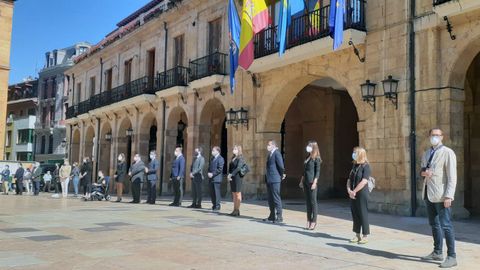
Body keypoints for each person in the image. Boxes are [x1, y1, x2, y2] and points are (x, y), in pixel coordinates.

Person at [420, 128, 458, 268]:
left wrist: (449, 196)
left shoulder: (447, 153)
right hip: (428, 193)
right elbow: (422, 170)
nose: (434, 137)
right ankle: (437, 252)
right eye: (432, 135)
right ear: (429, 136)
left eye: (437, 135)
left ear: (442, 137)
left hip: (442, 195)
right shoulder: (426, 153)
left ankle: (452, 256)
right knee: (434, 224)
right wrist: (424, 172)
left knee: (446, 226)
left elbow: (452, 177)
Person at [347, 147, 371, 244]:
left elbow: (364, 181)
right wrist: (349, 190)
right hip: (353, 193)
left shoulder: (366, 166)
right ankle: (357, 235)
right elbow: (349, 179)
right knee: (355, 214)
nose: (353, 154)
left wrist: (355, 191)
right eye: (353, 153)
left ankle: (365, 235)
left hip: (361, 194)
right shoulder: (354, 166)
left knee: (362, 213)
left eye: (355, 153)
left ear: (361, 154)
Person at [299, 141, 321, 230]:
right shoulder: (307, 157)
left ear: (314, 147)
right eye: (308, 145)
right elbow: (304, 171)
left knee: (313, 202)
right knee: (308, 202)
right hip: (305, 182)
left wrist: (315, 183)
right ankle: (308, 219)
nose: (308, 147)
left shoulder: (317, 158)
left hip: (312, 182)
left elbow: (317, 172)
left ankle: (314, 221)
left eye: (310, 146)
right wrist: (301, 181)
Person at [263, 140, 286, 223]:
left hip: (275, 179)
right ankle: (272, 216)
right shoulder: (270, 154)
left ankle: (279, 217)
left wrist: (281, 174)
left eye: (269, 144)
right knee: (270, 198)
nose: (267, 146)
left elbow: (281, 166)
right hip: (269, 179)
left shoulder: (277, 153)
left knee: (276, 198)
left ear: (273, 145)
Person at [227, 145, 246, 216]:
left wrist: (231, 174)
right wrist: (229, 175)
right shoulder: (233, 158)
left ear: (239, 150)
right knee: (234, 194)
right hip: (232, 177)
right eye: (233, 149)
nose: (233, 150)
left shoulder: (240, 158)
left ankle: (237, 210)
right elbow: (231, 167)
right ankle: (234, 209)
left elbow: (238, 168)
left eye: (235, 149)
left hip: (238, 177)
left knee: (238, 193)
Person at [208, 146, 224, 211]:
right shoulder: (212, 158)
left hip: (217, 178)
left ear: (218, 151)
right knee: (212, 193)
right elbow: (210, 167)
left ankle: (217, 206)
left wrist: (213, 174)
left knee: (216, 193)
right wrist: (209, 172)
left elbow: (220, 169)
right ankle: (214, 205)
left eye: (213, 150)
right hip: (211, 178)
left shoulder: (220, 158)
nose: (212, 152)